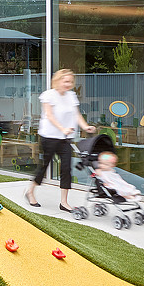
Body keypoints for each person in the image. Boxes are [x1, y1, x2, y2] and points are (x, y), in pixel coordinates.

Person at [26, 69, 96, 212]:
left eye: (70, 82)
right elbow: (50, 116)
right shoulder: (48, 95)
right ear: (58, 81)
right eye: (66, 81)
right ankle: (30, 192)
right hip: (49, 136)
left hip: (65, 138)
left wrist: (85, 126)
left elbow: (77, 114)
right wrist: (62, 128)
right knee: (44, 166)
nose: (68, 84)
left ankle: (64, 202)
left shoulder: (71, 96)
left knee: (66, 168)